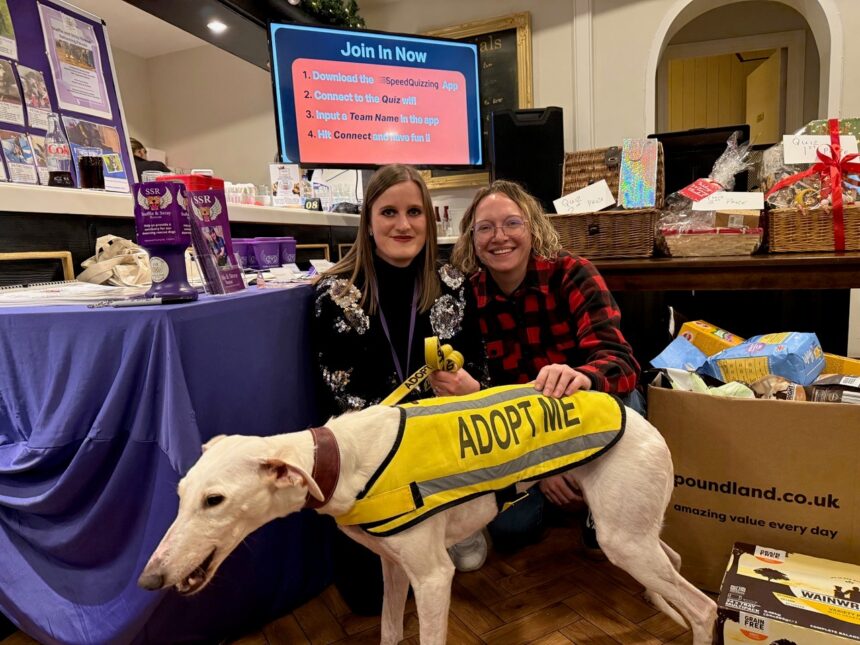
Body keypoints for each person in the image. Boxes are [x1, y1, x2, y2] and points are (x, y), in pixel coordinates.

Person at [433, 179, 643, 563]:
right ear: (471, 238)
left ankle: (600, 494)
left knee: (629, 409)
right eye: (485, 227)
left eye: (512, 223)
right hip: (526, 433)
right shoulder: (468, 297)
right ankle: (570, 488)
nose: (500, 237)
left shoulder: (573, 273)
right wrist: (545, 467)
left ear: (532, 228)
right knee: (511, 532)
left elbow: (622, 364)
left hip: (587, 414)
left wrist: (583, 377)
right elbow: (491, 396)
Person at [312, 163, 485, 614]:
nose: (403, 225)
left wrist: (467, 386)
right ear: (368, 223)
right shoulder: (334, 294)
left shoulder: (454, 285)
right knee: (367, 602)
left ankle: (453, 525)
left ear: (430, 220)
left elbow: (480, 378)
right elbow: (336, 400)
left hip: (442, 454)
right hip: (374, 464)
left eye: (414, 212)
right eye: (389, 212)